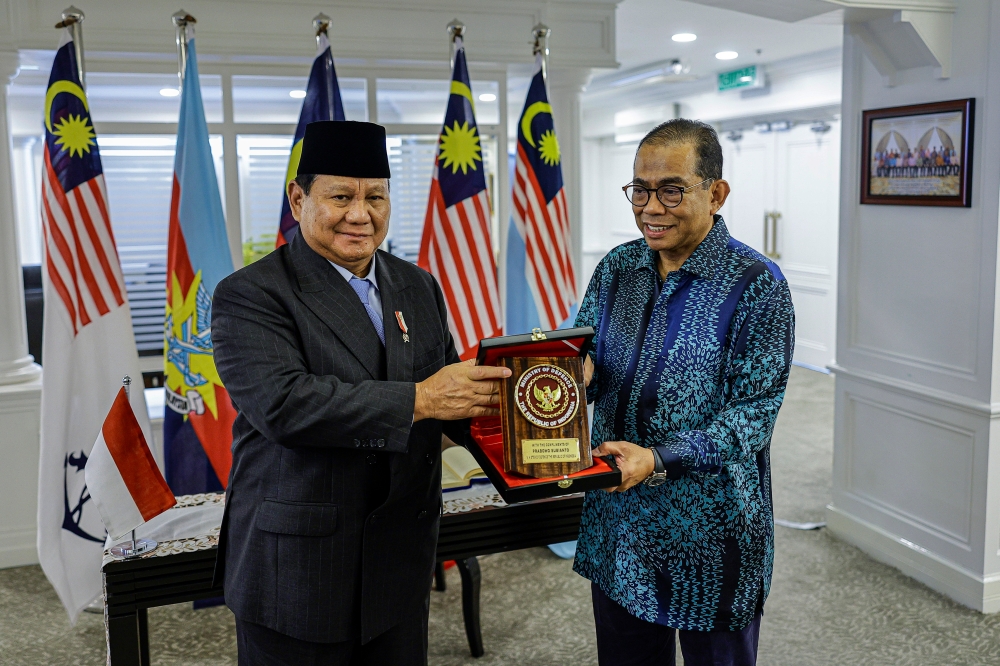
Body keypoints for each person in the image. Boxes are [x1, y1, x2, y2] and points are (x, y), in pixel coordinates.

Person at [211, 120, 510, 665]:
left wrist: (534, 409)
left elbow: (450, 399)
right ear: (299, 198)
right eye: (341, 196)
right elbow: (285, 405)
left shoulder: (416, 285)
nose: (360, 214)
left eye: (376, 196)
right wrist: (421, 399)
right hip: (300, 569)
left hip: (399, 560)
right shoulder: (251, 294)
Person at [574, 119, 795, 666]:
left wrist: (658, 458)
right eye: (640, 190)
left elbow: (752, 417)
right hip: (620, 525)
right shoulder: (617, 268)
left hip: (712, 537)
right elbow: (587, 360)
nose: (651, 207)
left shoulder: (757, 285)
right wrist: (566, 375)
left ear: (716, 193)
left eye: (672, 189)